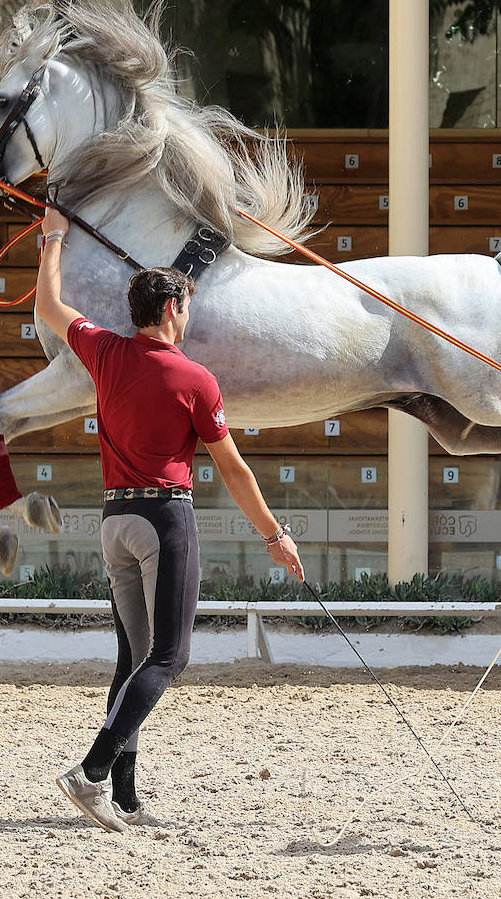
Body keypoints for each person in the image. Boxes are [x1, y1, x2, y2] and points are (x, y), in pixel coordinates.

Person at [34, 206, 305, 833]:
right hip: (163, 520)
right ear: (175, 308)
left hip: (113, 523)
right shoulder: (195, 379)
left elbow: (49, 303)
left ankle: (122, 797)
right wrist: (275, 535)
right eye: (188, 306)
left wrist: (52, 237)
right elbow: (234, 470)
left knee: (132, 658)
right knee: (170, 656)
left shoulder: (103, 351)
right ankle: (93, 770)